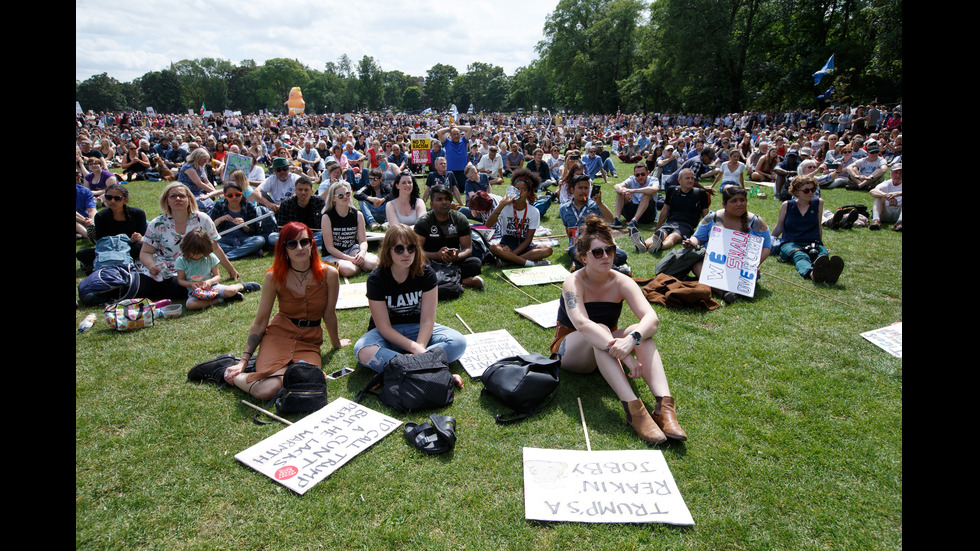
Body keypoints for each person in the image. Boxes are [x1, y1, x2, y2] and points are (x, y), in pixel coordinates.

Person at [552, 214, 686, 444]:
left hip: (605, 349)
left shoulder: (622, 280)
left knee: (641, 331)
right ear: (584, 258)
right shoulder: (573, 282)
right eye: (597, 252)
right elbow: (582, 324)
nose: (605, 256)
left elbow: (651, 319)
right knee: (600, 328)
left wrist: (632, 338)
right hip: (571, 349)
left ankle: (664, 407)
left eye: (610, 250)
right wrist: (626, 357)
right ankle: (634, 411)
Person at [191, 222, 348, 401]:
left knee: (305, 380)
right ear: (284, 248)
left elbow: (329, 314)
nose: (299, 248)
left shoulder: (330, 274)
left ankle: (252, 364)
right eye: (292, 244)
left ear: (312, 244)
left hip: (309, 342)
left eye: (304, 242)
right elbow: (261, 321)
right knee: (269, 389)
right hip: (279, 335)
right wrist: (243, 360)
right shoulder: (274, 276)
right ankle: (223, 371)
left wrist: (336, 343)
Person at [353, 225, 468, 376]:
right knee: (362, 349)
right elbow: (384, 327)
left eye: (411, 248)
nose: (406, 253)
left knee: (458, 342)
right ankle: (427, 366)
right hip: (387, 334)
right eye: (399, 249)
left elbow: (427, 320)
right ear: (388, 250)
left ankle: (396, 368)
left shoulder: (426, 274)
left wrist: (419, 347)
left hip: (418, 328)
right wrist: (418, 350)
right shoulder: (376, 278)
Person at [139, 182, 239, 302]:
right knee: (144, 286)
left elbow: (215, 248)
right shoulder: (157, 223)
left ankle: (223, 293)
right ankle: (221, 296)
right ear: (166, 201)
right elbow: (145, 252)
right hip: (166, 270)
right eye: (173, 196)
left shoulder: (203, 219)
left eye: (182, 196)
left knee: (177, 288)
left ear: (189, 199)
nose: (178, 199)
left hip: (195, 269)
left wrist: (231, 270)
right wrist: (151, 266)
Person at [681, 186, 772, 302]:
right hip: (715, 265)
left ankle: (732, 288)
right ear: (724, 204)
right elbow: (698, 237)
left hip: (743, 267)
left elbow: (767, 247)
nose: (739, 204)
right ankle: (724, 293)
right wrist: (691, 242)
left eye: (742, 200)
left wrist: (754, 265)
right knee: (696, 265)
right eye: (734, 201)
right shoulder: (712, 218)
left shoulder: (756, 222)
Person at [771, 175, 844, 283]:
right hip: (791, 242)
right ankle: (812, 274)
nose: (810, 193)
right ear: (796, 191)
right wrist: (770, 242)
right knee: (800, 256)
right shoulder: (787, 205)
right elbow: (779, 226)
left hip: (813, 240)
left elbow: (819, 225)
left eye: (813, 190)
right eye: (806, 190)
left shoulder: (818, 203)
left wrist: (820, 243)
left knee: (822, 255)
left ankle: (828, 272)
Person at [415, 184, 485, 289]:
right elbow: (416, 251)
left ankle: (448, 281)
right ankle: (462, 282)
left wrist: (456, 256)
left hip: (454, 262)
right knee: (417, 268)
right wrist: (437, 255)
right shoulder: (424, 222)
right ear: (432, 204)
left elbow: (467, 248)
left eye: (447, 199)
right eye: (439, 199)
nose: (444, 202)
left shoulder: (460, 219)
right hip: (430, 261)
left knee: (475, 263)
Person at [175, 228, 259, 310]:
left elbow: (217, 276)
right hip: (195, 293)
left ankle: (241, 286)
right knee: (190, 305)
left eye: (200, 253)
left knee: (231, 290)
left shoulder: (210, 257)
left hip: (213, 287)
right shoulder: (181, 260)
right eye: (194, 253)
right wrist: (191, 284)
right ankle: (220, 300)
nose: (197, 256)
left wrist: (210, 281)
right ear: (187, 248)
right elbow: (180, 280)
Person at [486, 168, 553, 267]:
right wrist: (501, 205)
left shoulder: (534, 211)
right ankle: (529, 263)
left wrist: (513, 254)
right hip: (507, 243)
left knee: (548, 249)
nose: (520, 192)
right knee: (494, 247)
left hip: (524, 245)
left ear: (529, 193)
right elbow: (488, 224)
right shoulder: (504, 207)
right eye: (517, 189)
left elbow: (528, 240)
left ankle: (508, 261)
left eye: (524, 190)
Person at [635, 168, 711, 254]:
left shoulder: (700, 193)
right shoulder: (672, 190)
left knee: (672, 237)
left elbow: (706, 215)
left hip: (686, 226)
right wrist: (658, 226)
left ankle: (660, 246)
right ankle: (642, 244)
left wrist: (709, 232)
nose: (690, 180)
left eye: (692, 178)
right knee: (659, 234)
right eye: (687, 178)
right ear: (679, 180)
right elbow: (665, 210)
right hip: (670, 222)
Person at [76, 183, 147, 272]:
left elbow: (144, 237)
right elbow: (101, 240)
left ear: (125, 200)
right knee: (81, 254)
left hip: (130, 246)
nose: (112, 201)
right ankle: (118, 261)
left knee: (140, 247)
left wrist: (139, 237)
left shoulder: (138, 214)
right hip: (109, 248)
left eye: (117, 198)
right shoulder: (100, 216)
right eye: (109, 197)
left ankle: (105, 263)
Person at [320, 180, 379, 277]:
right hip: (332, 254)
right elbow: (330, 248)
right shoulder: (327, 217)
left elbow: (363, 241)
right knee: (348, 270)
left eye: (347, 194)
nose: (345, 197)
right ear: (333, 199)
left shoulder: (357, 214)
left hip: (351, 249)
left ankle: (359, 264)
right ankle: (356, 266)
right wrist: (348, 258)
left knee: (373, 263)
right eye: (340, 195)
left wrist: (362, 253)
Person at [209, 178, 266, 260]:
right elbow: (210, 227)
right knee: (211, 244)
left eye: (237, 194)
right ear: (225, 196)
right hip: (224, 238)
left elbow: (253, 231)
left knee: (260, 240)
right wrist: (220, 219)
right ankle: (250, 251)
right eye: (230, 195)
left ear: (242, 194)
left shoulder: (248, 206)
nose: (234, 197)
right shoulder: (219, 205)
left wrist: (244, 225)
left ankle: (227, 257)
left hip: (244, 238)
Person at [272, 175, 326, 248]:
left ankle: (295, 245)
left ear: (312, 191)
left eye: (306, 190)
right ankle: (308, 245)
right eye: (300, 190)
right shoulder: (286, 204)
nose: (303, 192)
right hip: (292, 236)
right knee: (272, 238)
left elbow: (325, 225)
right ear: (295, 191)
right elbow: (281, 227)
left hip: (314, 235)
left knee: (326, 236)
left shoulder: (319, 202)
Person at [612, 162, 659, 230]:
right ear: (634, 175)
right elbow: (616, 186)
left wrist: (632, 191)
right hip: (632, 211)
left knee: (646, 194)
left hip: (647, 215)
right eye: (637, 175)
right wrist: (624, 191)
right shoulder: (632, 179)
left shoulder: (653, 180)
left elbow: (654, 189)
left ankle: (634, 221)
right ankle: (617, 219)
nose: (640, 177)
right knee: (620, 193)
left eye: (643, 174)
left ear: (648, 173)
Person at [177, 147, 218, 212]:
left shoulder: (201, 167)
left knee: (211, 204)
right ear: (197, 158)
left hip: (198, 193)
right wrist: (216, 193)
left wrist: (215, 192)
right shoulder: (188, 167)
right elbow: (199, 183)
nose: (206, 162)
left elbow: (207, 182)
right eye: (204, 160)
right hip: (187, 193)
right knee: (202, 206)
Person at [869, 162, 902, 231]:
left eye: (900, 173)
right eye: (895, 172)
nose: (898, 175)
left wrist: (898, 193)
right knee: (878, 197)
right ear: (890, 173)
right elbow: (872, 191)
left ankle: (900, 222)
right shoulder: (886, 183)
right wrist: (886, 195)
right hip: (885, 211)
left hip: (899, 211)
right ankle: (876, 220)